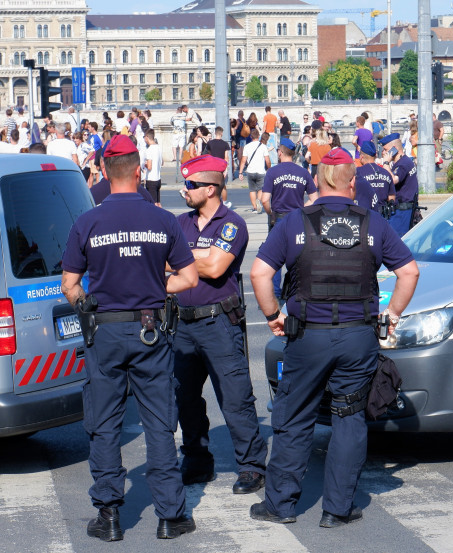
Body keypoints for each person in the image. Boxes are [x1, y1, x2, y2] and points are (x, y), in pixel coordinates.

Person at [249, 147, 420, 528]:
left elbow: (259, 274)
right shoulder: (373, 223)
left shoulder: (293, 222)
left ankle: (280, 505)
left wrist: (274, 316)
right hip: (358, 338)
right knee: (348, 417)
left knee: (294, 417)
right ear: (352, 183)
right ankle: (337, 509)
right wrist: (391, 316)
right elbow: (409, 272)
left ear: (318, 180)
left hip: (307, 337)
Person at [60, 135, 200, 542]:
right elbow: (190, 278)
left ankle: (108, 516)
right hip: (150, 330)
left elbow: (69, 284)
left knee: (104, 423)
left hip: (104, 329)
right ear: (139, 171)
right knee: (159, 422)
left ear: (105, 172)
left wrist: (87, 304)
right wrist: (155, 287)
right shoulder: (163, 220)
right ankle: (170, 515)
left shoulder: (87, 222)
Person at [172, 155, 269, 496]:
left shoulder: (232, 224)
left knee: (235, 397)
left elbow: (215, 268)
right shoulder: (180, 224)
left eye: (191, 185)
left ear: (210, 189)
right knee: (185, 398)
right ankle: (197, 461)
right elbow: (168, 261)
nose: (184, 190)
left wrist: (181, 260)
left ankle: (252, 466)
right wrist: (200, 257)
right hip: (183, 324)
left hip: (219, 323)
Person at [260, 137, 318, 299]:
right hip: (297, 219)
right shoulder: (303, 172)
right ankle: (295, 291)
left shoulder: (273, 172)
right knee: (297, 255)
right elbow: (314, 199)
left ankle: (275, 294)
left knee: (275, 256)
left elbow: (264, 199)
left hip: (279, 218)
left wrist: (270, 213)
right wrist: (301, 209)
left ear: (280, 152)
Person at [379, 133, 418, 236]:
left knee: (396, 240)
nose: (383, 153)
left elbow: (393, 180)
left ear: (394, 149)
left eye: (386, 150)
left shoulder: (403, 164)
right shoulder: (404, 161)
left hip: (402, 212)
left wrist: (386, 163)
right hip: (404, 211)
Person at [353, 141, 395, 214]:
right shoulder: (386, 173)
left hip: (364, 214)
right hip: (382, 215)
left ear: (361, 157)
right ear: (375, 155)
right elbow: (392, 198)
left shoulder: (357, 173)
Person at [239, 129, 271, 213]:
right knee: (260, 189)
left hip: (250, 171)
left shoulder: (247, 146)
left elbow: (243, 160)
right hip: (260, 171)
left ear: (251, 136)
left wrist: (240, 172)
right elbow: (267, 160)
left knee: (252, 190)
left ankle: (254, 208)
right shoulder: (263, 146)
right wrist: (269, 169)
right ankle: (258, 201)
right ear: (258, 136)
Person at [207, 126, 234, 208]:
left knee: (213, 186)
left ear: (215, 133)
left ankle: (213, 202)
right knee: (223, 186)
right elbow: (226, 158)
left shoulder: (210, 143)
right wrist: (226, 170)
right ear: (221, 133)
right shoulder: (225, 144)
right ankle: (224, 203)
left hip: (212, 168)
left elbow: (209, 156)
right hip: (221, 168)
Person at [143, 129, 163, 206]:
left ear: (147, 137)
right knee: (158, 203)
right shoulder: (158, 148)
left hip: (151, 179)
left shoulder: (149, 150)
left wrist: (145, 164)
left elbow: (149, 167)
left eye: (144, 137)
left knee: (153, 204)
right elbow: (162, 162)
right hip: (158, 178)